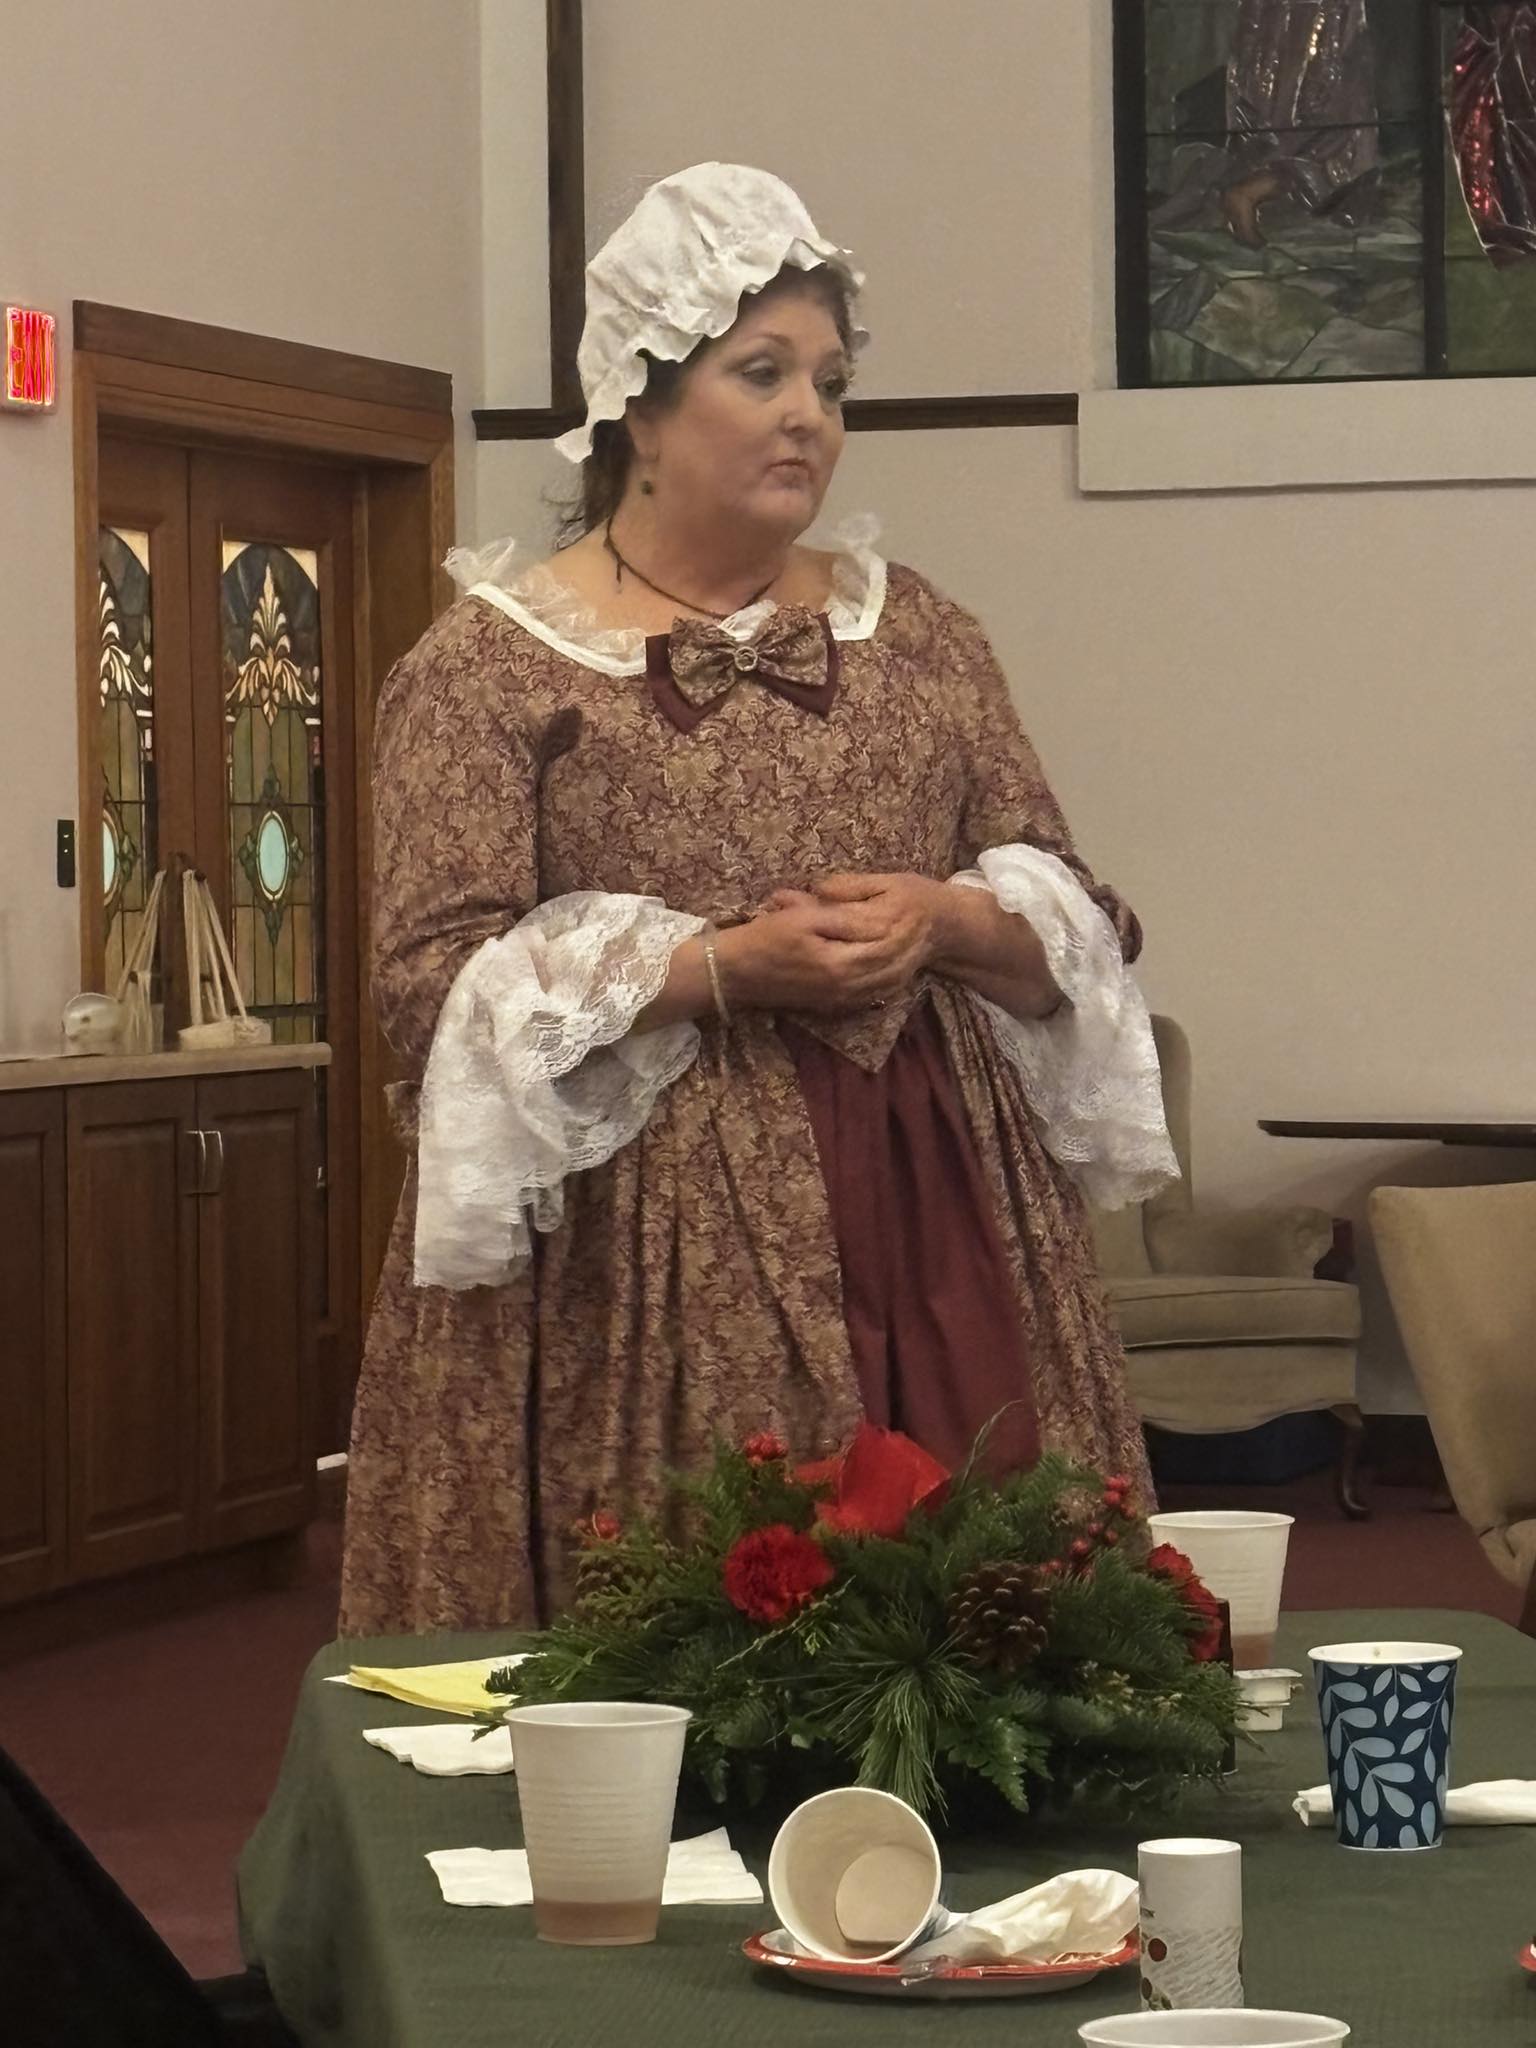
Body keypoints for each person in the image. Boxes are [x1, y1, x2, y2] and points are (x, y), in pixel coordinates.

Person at [339, 164, 1175, 1637]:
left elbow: (1085, 928)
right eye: (762, 372)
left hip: (934, 1195)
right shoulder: (486, 668)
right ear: (642, 408)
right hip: (642, 1247)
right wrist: (721, 970)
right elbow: (425, 984)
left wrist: (946, 922)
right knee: (703, 1630)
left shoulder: (919, 634)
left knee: (994, 1622)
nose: (810, 417)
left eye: (832, 385)